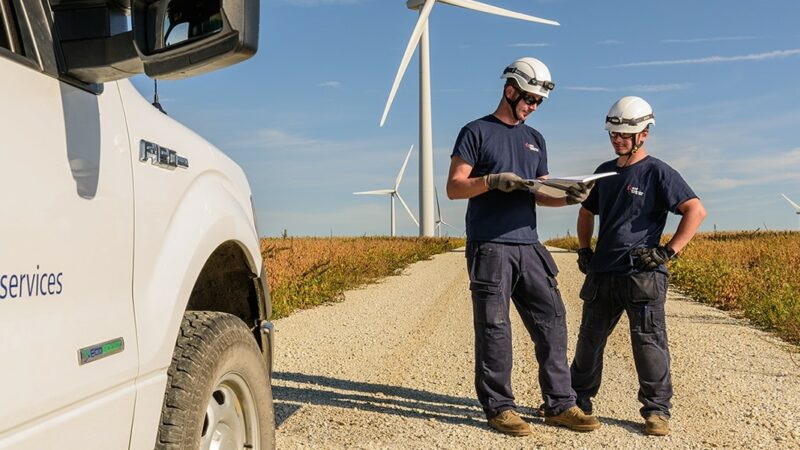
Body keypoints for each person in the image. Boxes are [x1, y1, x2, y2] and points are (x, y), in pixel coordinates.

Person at [446, 57, 600, 437]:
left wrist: (568, 198)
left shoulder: (536, 140)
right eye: (530, 99)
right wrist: (491, 181)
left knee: (553, 320)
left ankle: (560, 404)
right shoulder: (476, 132)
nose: (533, 106)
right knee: (495, 328)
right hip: (490, 245)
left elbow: (540, 192)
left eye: (539, 102)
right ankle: (499, 407)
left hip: (529, 245)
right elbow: (454, 187)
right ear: (510, 90)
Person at [570, 96, 707, 436]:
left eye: (624, 135)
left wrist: (668, 252)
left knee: (648, 344)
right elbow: (586, 211)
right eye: (613, 133)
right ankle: (578, 400)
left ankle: (657, 411)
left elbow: (695, 210)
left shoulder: (658, 172)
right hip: (603, 273)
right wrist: (584, 249)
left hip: (642, 274)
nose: (617, 139)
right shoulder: (604, 172)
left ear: (643, 134)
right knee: (589, 342)